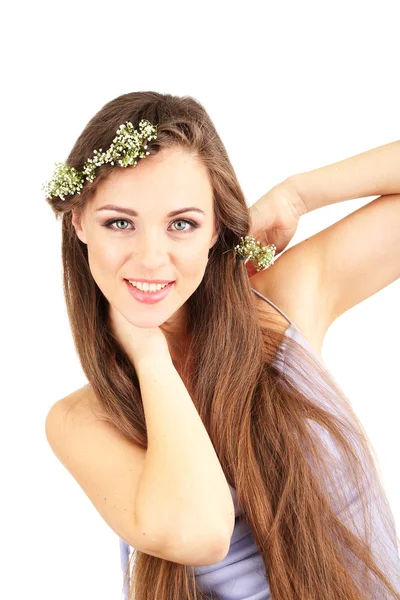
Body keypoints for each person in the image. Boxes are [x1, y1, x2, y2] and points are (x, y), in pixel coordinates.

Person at [44, 91, 400, 600]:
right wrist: (148, 353)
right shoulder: (82, 421)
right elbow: (203, 531)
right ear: (79, 222)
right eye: (119, 222)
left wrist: (294, 196)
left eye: (182, 224)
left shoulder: (280, 311)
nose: (150, 258)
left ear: (215, 230)